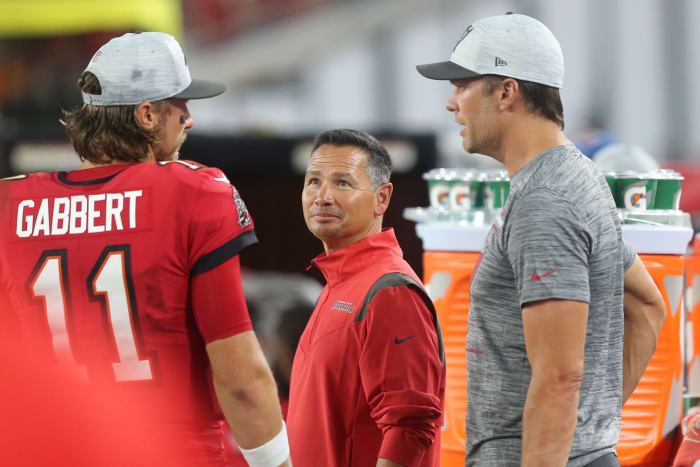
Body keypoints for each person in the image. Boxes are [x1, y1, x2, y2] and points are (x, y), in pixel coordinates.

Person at [0, 31, 290, 467]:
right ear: (148, 114)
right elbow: (242, 382)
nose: (188, 119)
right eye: (181, 105)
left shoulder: (10, 205)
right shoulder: (194, 191)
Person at [416, 13, 666, 467]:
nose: (451, 104)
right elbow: (647, 305)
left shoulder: (545, 201)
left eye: (462, 85)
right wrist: (591, 425)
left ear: (507, 92)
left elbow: (559, 377)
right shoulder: (574, 178)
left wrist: (578, 430)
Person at [287, 129, 446, 466]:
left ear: (382, 198)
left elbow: (410, 426)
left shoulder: (390, 291)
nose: (323, 196)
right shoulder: (340, 284)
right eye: (313, 181)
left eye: (343, 183)